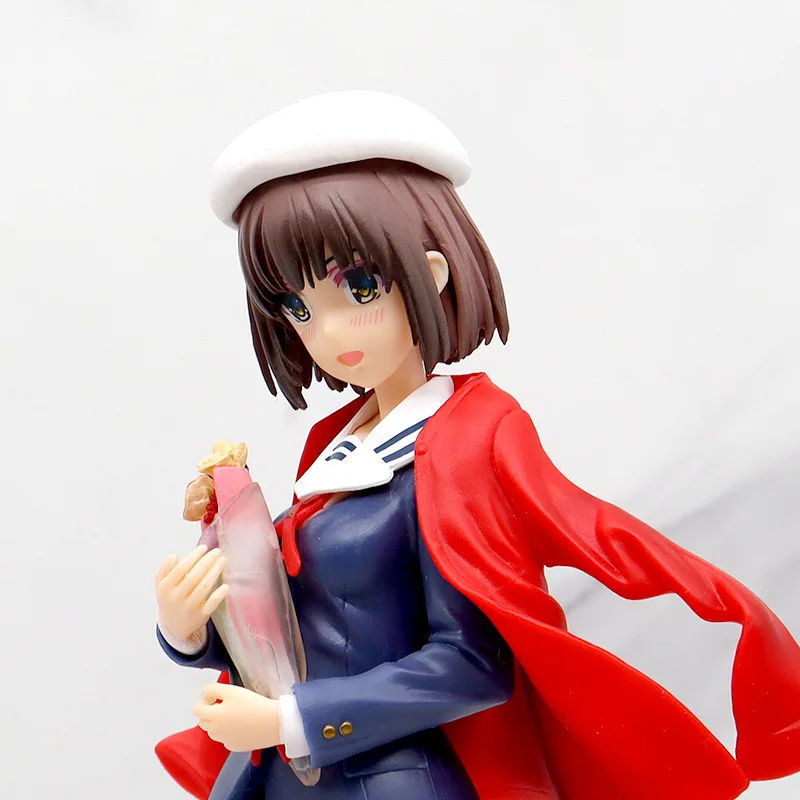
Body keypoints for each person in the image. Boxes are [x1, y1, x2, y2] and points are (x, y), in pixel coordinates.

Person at [155, 91, 800, 800]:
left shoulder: (463, 444)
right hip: (284, 777)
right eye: (299, 307)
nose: (329, 332)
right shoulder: (332, 448)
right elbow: (304, 624)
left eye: (359, 287)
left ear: (429, 274)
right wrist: (192, 626)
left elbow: (472, 665)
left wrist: (294, 719)